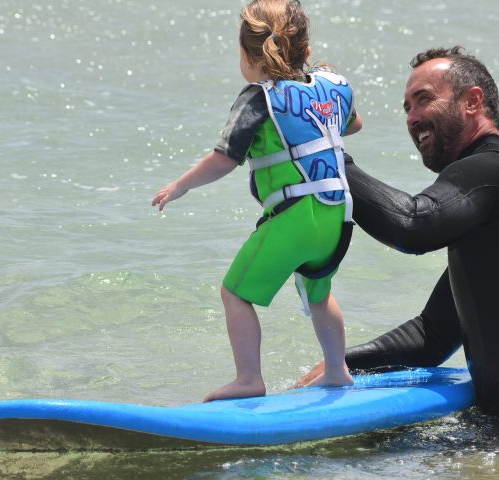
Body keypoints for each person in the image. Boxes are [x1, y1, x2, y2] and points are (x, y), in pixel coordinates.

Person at [296, 46, 499, 420]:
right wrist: (339, 361)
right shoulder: (498, 206)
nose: (412, 118)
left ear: (472, 101)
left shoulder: (497, 170)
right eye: (407, 108)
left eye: (423, 99)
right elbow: (430, 337)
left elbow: (413, 225)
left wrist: (327, 157)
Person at [152, 0, 363, 402]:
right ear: (305, 49)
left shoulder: (257, 99)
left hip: (295, 216)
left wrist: (181, 186)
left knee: (235, 293)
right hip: (339, 215)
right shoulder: (333, 83)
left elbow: (224, 159)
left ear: (249, 56)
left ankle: (249, 378)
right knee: (317, 292)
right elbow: (353, 124)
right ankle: (337, 370)